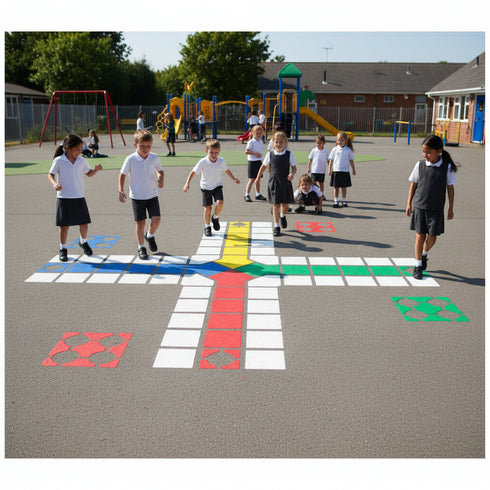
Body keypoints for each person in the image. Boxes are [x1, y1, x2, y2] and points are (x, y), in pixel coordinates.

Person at [406, 134, 458, 280]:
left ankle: (424, 254)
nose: (425, 155)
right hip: (420, 206)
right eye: (423, 151)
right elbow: (413, 184)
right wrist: (409, 203)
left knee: (432, 238)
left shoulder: (446, 167)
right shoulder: (420, 165)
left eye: (428, 152)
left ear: (439, 151)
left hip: (436, 209)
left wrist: (450, 208)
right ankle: (418, 266)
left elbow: (450, 188)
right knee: (419, 236)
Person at [48, 134, 103, 261]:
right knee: (64, 226)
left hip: (78, 196)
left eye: (81, 149)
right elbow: (50, 175)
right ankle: (63, 248)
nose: (80, 152)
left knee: (84, 223)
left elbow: (88, 173)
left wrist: (95, 170)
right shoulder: (59, 161)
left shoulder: (81, 160)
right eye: (77, 149)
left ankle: (83, 241)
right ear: (67, 148)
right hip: (64, 197)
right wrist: (55, 184)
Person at [118, 130, 164, 260]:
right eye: (142, 146)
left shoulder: (154, 157)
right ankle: (141, 247)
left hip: (152, 194)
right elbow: (122, 174)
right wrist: (121, 190)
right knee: (140, 223)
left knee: (157, 220)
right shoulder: (131, 159)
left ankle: (149, 236)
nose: (145, 149)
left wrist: (160, 178)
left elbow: (160, 171)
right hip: (137, 196)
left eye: (148, 146)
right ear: (135, 145)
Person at [183, 139, 240, 237]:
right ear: (206, 151)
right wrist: (187, 183)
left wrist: (233, 178)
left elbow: (226, 170)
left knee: (220, 203)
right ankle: (207, 226)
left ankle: (215, 217)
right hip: (205, 187)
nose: (214, 154)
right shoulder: (203, 162)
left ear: (219, 151)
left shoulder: (221, 161)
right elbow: (193, 172)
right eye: (211, 152)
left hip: (217, 186)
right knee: (207, 208)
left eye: (216, 152)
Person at [256, 131, 297, 237]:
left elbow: (294, 167)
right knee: (275, 205)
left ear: (285, 143)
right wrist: (257, 178)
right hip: (274, 182)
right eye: (276, 142)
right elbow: (263, 166)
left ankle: (283, 215)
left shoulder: (289, 154)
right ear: (273, 142)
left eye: (281, 142)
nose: (278, 144)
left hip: (285, 182)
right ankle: (277, 226)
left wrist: (292, 174)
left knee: (285, 205)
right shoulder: (270, 154)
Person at [328, 131, 356, 208]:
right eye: (338, 140)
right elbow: (331, 160)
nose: (340, 142)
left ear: (346, 141)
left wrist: (353, 169)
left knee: (344, 187)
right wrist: (329, 169)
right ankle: (336, 200)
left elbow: (351, 160)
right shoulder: (334, 149)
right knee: (336, 187)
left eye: (342, 140)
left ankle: (344, 200)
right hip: (336, 171)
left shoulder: (348, 150)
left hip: (345, 171)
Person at [244, 125, 267, 202]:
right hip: (252, 162)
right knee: (252, 179)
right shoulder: (251, 142)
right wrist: (255, 154)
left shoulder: (261, 142)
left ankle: (258, 194)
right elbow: (246, 151)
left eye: (260, 133)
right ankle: (247, 194)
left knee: (258, 179)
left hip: (259, 162)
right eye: (257, 133)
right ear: (253, 133)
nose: (259, 135)